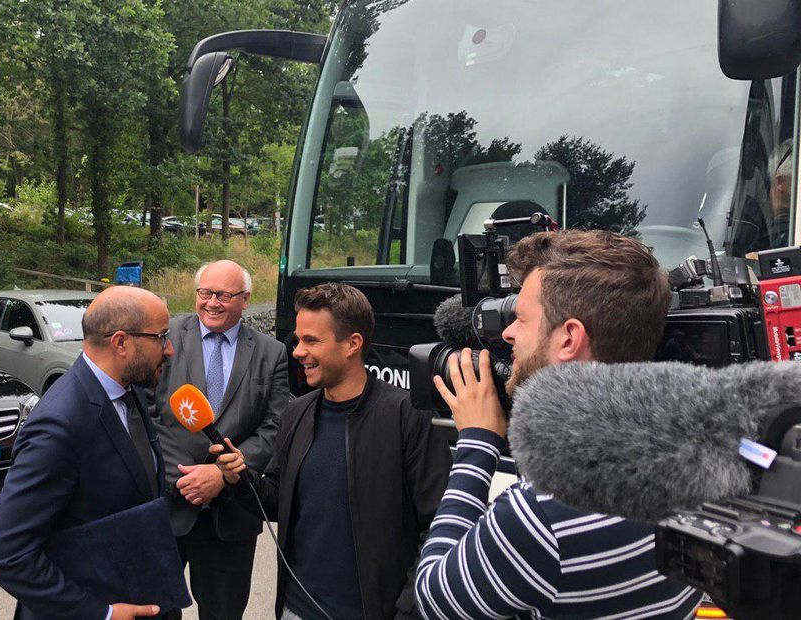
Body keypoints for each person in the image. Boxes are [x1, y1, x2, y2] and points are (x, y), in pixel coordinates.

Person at [413, 230, 702, 619]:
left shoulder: (542, 514)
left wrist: (478, 442)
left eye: (520, 317)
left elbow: (434, 597)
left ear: (569, 339)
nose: (508, 333)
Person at [212, 283, 453, 620]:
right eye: (298, 340)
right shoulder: (296, 413)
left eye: (311, 341)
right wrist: (240, 478)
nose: (296, 351)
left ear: (352, 344)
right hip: (295, 609)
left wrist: (408, 610)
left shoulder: (407, 417)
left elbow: (440, 527)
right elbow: (278, 500)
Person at [0, 286, 173, 620]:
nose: (170, 349)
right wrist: (101, 613)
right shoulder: (59, 425)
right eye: (161, 337)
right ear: (121, 343)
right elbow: (7, 554)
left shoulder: (129, 391)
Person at [151, 260, 288, 620]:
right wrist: (183, 478)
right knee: (154, 611)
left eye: (224, 295)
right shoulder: (165, 340)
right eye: (205, 293)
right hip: (167, 504)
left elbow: (275, 427)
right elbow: (146, 416)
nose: (212, 302)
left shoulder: (271, 353)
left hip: (232, 515)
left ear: (245, 299)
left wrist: (222, 475)